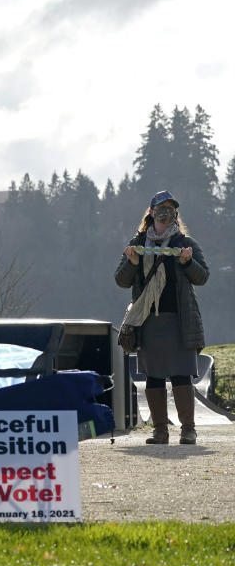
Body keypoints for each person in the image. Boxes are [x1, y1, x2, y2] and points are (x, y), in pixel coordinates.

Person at [115, 190, 209, 445]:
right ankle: (160, 431)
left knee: (181, 375)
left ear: (176, 214)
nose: (166, 212)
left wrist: (188, 262)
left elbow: (202, 277)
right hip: (148, 321)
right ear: (151, 213)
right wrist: (133, 261)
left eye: (170, 208)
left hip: (180, 319)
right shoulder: (137, 243)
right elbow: (121, 280)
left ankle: (188, 430)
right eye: (161, 208)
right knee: (153, 376)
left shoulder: (186, 243)